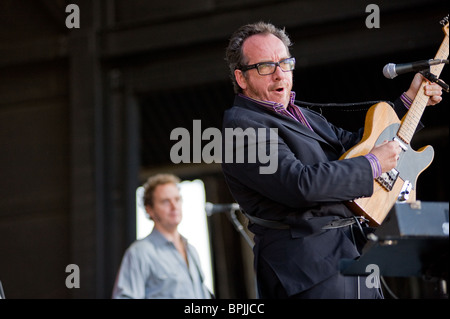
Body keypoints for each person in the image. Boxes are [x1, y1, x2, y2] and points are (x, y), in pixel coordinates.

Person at [221, 22, 443, 299]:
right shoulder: (241, 129)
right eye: (266, 67)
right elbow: (298, 184)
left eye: (285, 63)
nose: (280, 75)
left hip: (350, 255)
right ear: (242, 78)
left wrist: (411, 101)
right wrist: (373, 164)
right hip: (307, 272)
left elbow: (357, 147)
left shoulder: (301, 115)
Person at [112, 174, 212, 299]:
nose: (174, 206)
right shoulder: (140, 252)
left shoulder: (191, 250)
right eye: (165, 201)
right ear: (150, 210)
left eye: (177, 199)